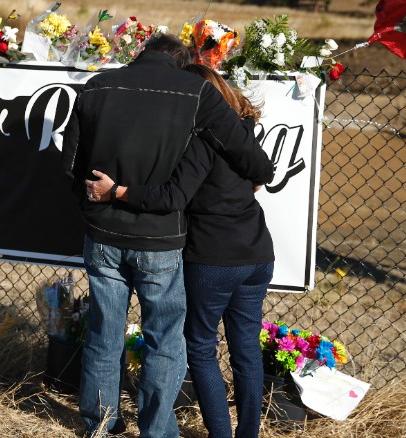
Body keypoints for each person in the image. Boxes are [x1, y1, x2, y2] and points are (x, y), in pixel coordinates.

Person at [62, 34, 273, 438]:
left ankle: (100, 426)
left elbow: (70, 163)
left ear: (141, 54)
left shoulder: (97, 86)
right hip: (161, 240)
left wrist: (96, 204)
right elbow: (254, 162)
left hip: (103, 233)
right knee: (165, 340)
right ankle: (157, 431)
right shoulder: (196, 93)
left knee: (104, 334)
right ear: (179, 63)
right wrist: (257, 177)